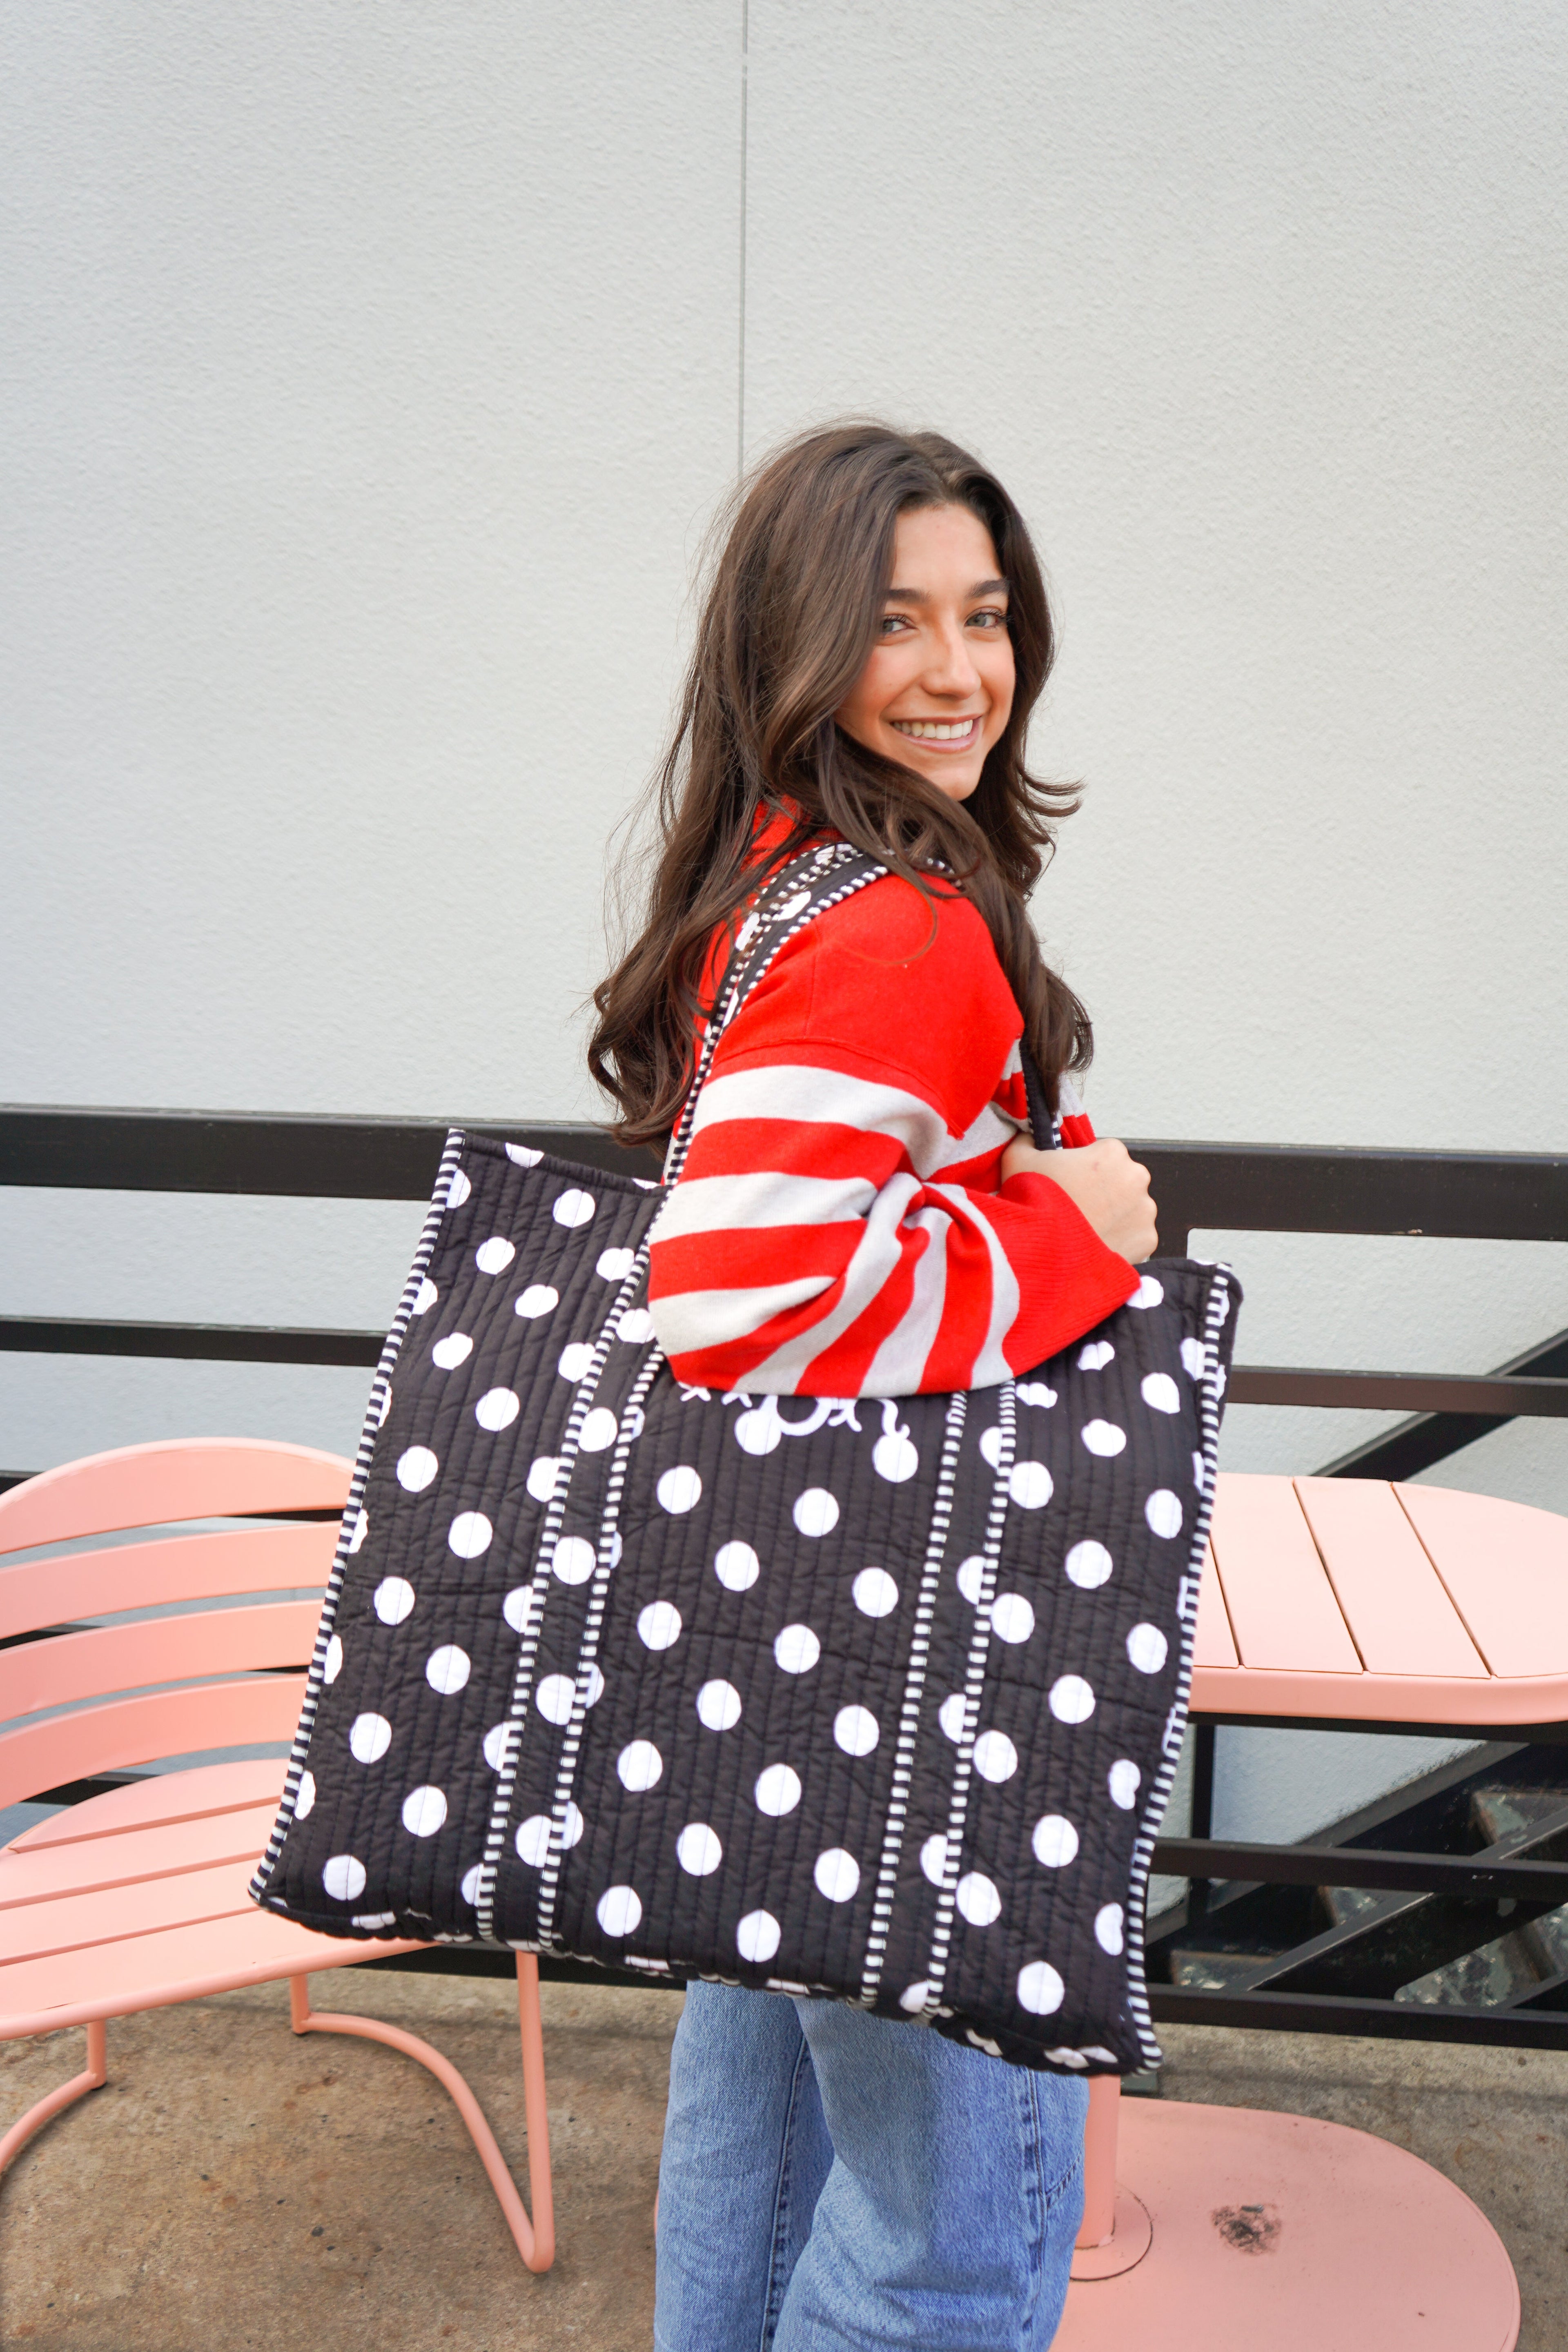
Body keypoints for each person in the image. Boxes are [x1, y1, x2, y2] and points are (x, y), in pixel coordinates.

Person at [590, 423, 1158, 2352]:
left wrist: (982, 1192)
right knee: (953, 2246)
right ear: (798, 650)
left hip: (769, 1654)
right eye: (894, 622)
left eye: (985, 617)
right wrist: (1075, 1229)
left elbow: (783, 1236)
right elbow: (741, 1301)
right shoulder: (906, 928)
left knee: (761, 2153)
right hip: (903, 1674)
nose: (957, 672)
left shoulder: (779, 887)